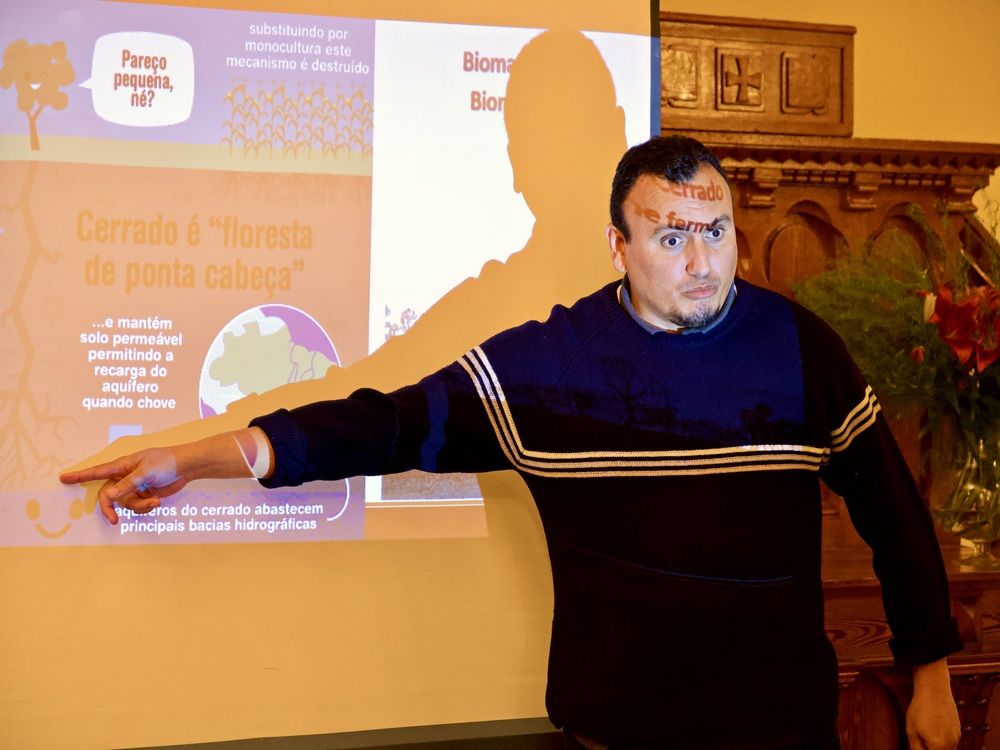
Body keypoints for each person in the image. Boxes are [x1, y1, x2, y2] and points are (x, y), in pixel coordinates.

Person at [61, 135, 962, 750]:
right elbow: (386, 424)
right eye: (671, 236)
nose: (703, 262)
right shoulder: (548, 366)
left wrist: (931, 674)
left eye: (717, 232)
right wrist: (197, 459)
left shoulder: (800, 348)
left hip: (782, 731)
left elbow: (892, 510)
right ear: (618, 246)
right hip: (615, 730)